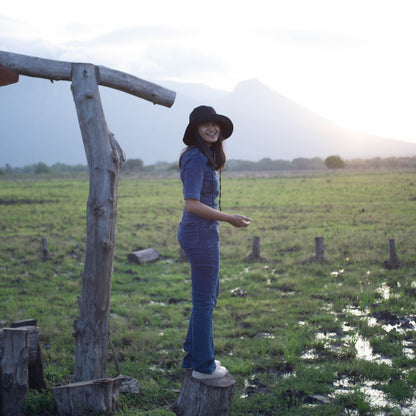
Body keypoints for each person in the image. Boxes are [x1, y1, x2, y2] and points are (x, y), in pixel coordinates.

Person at [177, 105, 251, 380]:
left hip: (203, 232)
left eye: (215, 125)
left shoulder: (204, 157)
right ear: (195, 130)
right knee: (204, 302)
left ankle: (191, 357)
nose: (212, 128)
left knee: (209, 297)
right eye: (205, 124)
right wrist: (229, 218)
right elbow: (192, 204)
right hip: (199, 233)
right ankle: (203, 366)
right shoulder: (195, 158)